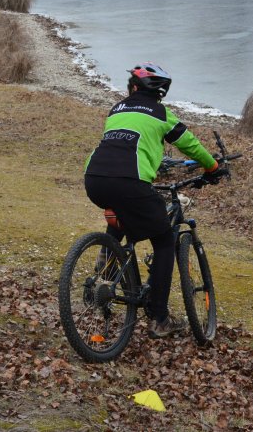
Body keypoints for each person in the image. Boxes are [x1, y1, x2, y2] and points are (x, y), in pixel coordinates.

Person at [84, 63, 221, 339]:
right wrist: (212, 167)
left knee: (124, 213)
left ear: (133, 88)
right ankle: (159, 318)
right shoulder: (160, 113)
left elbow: (129, 143)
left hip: (94, 178)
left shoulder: (117, 110)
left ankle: (108, 257)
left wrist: (152, 164)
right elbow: (189, 143)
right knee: (163, 240)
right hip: (128, 180)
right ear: (160, 92)